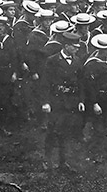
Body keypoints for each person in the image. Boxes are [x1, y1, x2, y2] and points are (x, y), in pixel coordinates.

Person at [42, 31, 85, 171]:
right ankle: (48, 159)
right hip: (56, 101)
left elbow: (81, 82)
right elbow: (45, 83)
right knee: (52, 131)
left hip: (71, 101)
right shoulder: (52, 60)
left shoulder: (78, 61)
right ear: (66, 46)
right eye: (74, 46)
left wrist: (81, 100)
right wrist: (46, 102)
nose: (77, 49)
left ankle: (62, 161)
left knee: (65, 132)